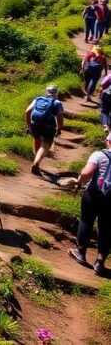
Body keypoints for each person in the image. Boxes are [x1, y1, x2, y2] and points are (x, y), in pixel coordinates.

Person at [68, 131, 111, 276]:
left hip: (93, 194)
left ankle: (80, 253)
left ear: (108, 141)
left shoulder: (99, 155)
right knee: (106, 228)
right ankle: (100, 262)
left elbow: (87, 173)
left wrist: (79, 181)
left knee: (86, 221)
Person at [25, 85, 64, 176]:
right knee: (46, 146)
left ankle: (36, 161)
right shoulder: (57, 103)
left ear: (46, 92)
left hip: (35, 123)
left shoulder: (38, 99)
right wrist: (59, 128)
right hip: (49, 126)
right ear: (56, 93)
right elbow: (60, 118)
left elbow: (27, 111)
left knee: (37, 140)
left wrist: (28, 125)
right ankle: (36, 163)